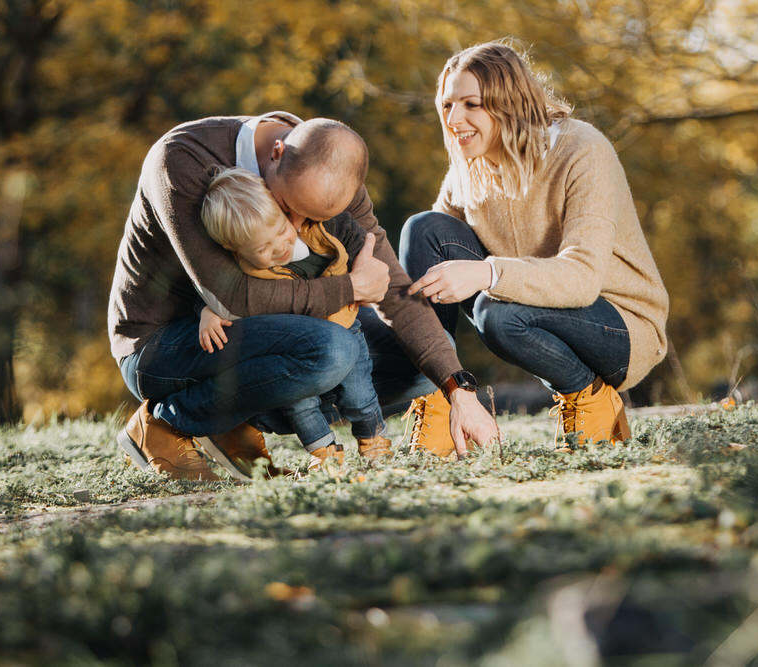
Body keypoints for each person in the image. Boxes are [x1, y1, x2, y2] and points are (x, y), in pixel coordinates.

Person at [108, 113, 499, 481]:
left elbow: (395, 290)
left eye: (312, 219)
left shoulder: (331, 173)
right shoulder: (182, 158)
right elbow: (232, 296)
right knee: (332, 350)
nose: (295, 233)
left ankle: (235, 415)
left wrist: (457, 389)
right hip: (166, 343)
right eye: (289, 209)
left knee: (426, 355)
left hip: (273, 331)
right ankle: (166, 422)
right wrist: (348, 288)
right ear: (276, 154)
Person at [400, 41, 669, 446]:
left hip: (619, 324)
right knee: (422, 229)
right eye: (448, 105)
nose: (454, 119)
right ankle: (442, 400)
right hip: (523, 305)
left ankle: (590, 398)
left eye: (471, 104)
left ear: (508, 103)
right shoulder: (468, 169)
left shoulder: (582, 150)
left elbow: (581, 278)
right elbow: (430, 254)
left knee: (498, 314)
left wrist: (488, 272)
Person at [197, 167, 390, 468]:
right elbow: (227, 298)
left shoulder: (318, 234)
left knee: (359, 396)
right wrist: (209, 312)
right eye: (263, 248)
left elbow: (358, 248)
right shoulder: (245, 274)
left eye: (280, 231)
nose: (280, 248)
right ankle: (325, 454)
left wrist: (364, 268)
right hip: (294, 351)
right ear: (233, 249)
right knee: (301, 406)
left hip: (344, 327)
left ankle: (373, 440)